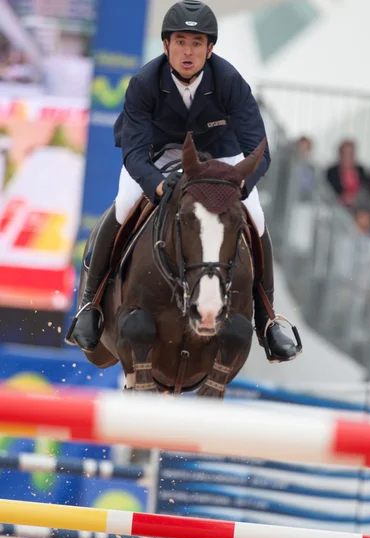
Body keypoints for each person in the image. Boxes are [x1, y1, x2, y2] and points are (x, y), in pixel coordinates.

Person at [69, 0, 299, 364]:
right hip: (156, 155)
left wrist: (238, 187)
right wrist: (157, 186)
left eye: (196, 43)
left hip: (218, 155)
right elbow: (134, 154)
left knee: (255, 215)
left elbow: (260, 151)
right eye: (179, 42)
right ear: (165, 46)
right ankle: (90, 307)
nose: (187, 51)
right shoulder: (145, 81)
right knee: (124, 204)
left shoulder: (230, 82)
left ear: (210, 49)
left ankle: (268, 319)